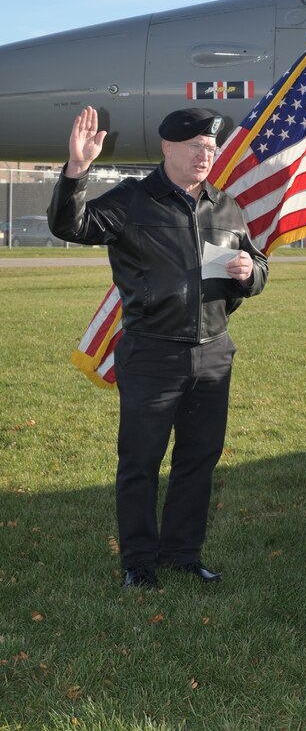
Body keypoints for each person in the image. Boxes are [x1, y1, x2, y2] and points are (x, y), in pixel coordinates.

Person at [48, 106, 268, 591]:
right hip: (152, 355)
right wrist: (77, 171)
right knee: (141, 462)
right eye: (195, 148)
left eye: (210, 149)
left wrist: (251, 273)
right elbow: (70, 226)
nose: (204, 156)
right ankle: (139, 562)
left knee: (198, 459)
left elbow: (257, 264)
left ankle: (183, 553)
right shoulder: (132, 200)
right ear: (168, 148)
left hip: (212, 353)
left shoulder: (225, 206)